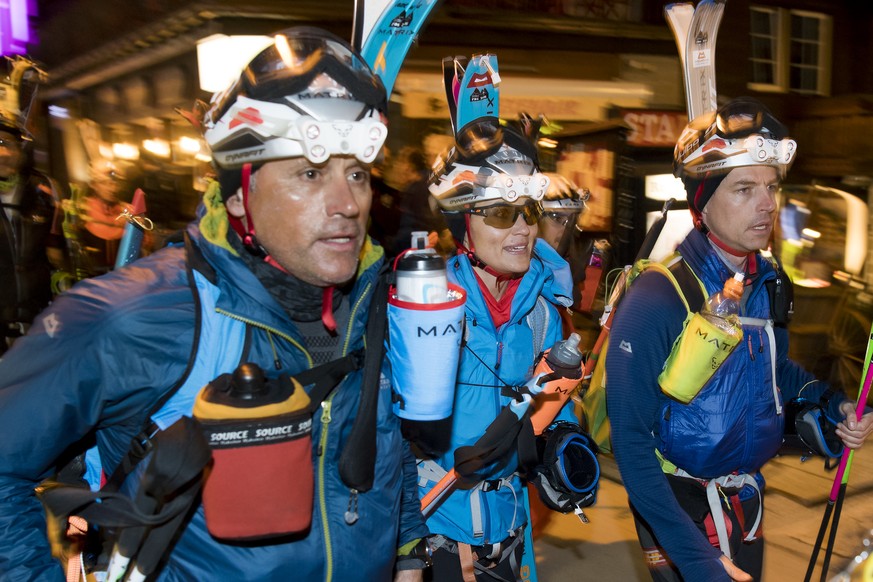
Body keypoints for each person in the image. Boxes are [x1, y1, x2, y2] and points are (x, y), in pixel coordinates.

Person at [0, 27, 428, 581]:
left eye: (357, 174)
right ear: (238, 194)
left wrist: (410, 554)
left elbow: (385, 445)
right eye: (310, 173)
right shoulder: (135, 314)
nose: (347, 203)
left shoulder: (374, 302)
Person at [606, 97, 873, 582]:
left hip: (746, 498)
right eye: (746, 188)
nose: (768, 204)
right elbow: (629, 441)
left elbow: (778, 369)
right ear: (702, 202)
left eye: (770, 187)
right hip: (677, 507)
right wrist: (696, 561)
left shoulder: (767, 280)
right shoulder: (658, 296)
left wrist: (836, 406)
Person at [414, 116, 578, 581]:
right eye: (503, 214)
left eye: (529, 210)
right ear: (462, 223)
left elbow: (552, 403)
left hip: (509, 526)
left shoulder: (541, 311)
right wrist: (410, 544)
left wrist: (564, 442)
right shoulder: (425, 308)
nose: (524, 227)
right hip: (434, 523)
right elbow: (388, 435)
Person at [0, 67, 66, 354]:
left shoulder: (43, 191)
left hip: (38, 321)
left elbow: (58, 255)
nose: (3, 152)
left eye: (9, 144)